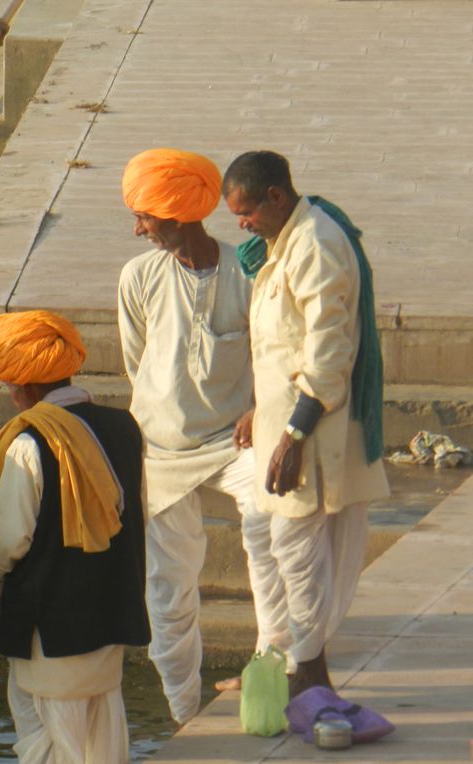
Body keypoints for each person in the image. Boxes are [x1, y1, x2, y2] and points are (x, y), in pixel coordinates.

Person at [117, 148, 287, 723]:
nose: (138, 228)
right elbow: (137, 363)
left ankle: (273, 661)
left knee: (269, 517)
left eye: (146, 216)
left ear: (180, 213)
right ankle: (183, 711)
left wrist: (261, 406)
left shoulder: (247, 274)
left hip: (230, 441)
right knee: (168, 586)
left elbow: (272, 352)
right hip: (160, 451)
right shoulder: (138, 278)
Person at [222, 150, 389, 696]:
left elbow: (327, 354)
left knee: (296, 550)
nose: (242, 226)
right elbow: (281, 350)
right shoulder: (283, 242)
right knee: (284, 547)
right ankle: (301, 670)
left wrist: (293, 433)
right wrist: (261, 413)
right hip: (286, 425)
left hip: (313, 434)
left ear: (275, 196)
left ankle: (310, 677)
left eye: (245, 213)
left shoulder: (315, 245)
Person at [0, 310, 150, 763]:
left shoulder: (29, 444)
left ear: (23, 386)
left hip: (50, 632)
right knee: (103, 741)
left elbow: (10, 544)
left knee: (46, 745)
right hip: (111, 619)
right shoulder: (124, 429)